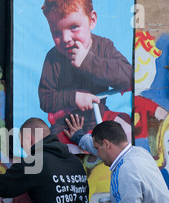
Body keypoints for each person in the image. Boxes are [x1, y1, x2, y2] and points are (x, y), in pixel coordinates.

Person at [38, 0, 132, 140]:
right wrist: (74, 97)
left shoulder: (104, 46)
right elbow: (45, 100)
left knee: (127, 129)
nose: (66, 39)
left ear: (92, 20)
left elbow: (128, 76)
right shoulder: (53, 58)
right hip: (66, 124)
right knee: (65, 150)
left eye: (74, 27)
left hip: (100, 118)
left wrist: (88, 61)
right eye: (56, 32)